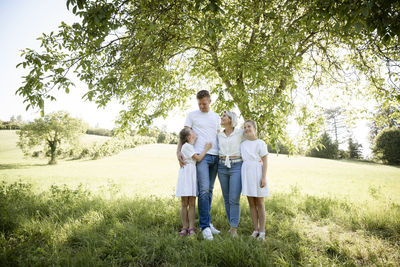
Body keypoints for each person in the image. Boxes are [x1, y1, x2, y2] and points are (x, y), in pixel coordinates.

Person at [177, 90, 221, 241]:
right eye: (199, 104)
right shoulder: (192, 115)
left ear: (210, 101)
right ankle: (204, 227)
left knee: (209, 190)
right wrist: (178, 152)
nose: (202, 106)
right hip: (201, 156)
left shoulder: (216, 117)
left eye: (204, 103)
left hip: (215, 156)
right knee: (202, 191)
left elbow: (219, 135)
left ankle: (207, 222)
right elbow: (182, 135)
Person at [176, 127, 212, 237]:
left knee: (192, 202)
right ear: (189, 137)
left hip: (191, 174)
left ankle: (191, 228)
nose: (195, 132)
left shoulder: (190, 146)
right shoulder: (187, 146)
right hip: (186, 174)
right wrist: (206, 148)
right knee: (184, 203)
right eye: (192, 132)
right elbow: (198, 158)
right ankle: (184, 227)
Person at [217, 111, 245, 237]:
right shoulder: (219, 134)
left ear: (230, 119)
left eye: (224, 116)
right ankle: (231, 224)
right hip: (222, 166)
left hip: (236, 165)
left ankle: (234, 228)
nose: (221, 118)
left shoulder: (239, 133)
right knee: (227, 198)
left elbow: (250, 142)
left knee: (234, 199)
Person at [240, 119, 269, 240]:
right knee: (251, 203)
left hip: (257, 172)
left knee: (260, 203)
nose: (246, 129)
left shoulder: (260, 143)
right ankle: (255, 229)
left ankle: (262, 231)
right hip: (246, 173)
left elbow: (265, 159)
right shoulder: (243, 144)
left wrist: (263, 177)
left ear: (255, 129)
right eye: (245, 127)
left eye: (249, 127)